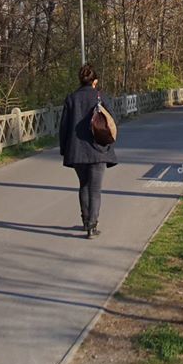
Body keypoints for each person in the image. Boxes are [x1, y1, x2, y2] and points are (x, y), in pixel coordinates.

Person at [59, 62, 117, 238]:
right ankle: (92, 225)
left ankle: (85, 222)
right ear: (95, 81)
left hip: (77, 150)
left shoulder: (71, 98)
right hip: (98, 149)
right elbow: (111, 122)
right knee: (95, 189)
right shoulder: (100, 97)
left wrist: (64, 148)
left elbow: (64, 127)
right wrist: (110, 144)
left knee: (83, 185)